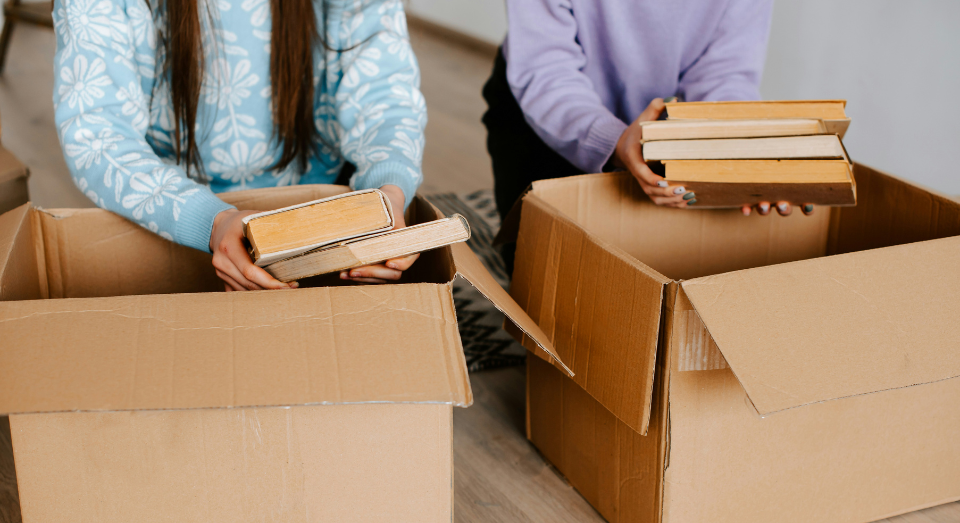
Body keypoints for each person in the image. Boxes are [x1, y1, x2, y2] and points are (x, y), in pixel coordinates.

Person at [54, 0, 426, 289]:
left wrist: (387, 193)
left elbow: (384, 96)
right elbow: (97, 130)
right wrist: (210, 221)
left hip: (320, 203)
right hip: (171, 216)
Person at [483, 0, 810, 223]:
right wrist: (613, 142)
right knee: (540, 287)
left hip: (662, 133)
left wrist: (740, 152)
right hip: (545, 120)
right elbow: (546, 68)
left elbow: (723, 73)